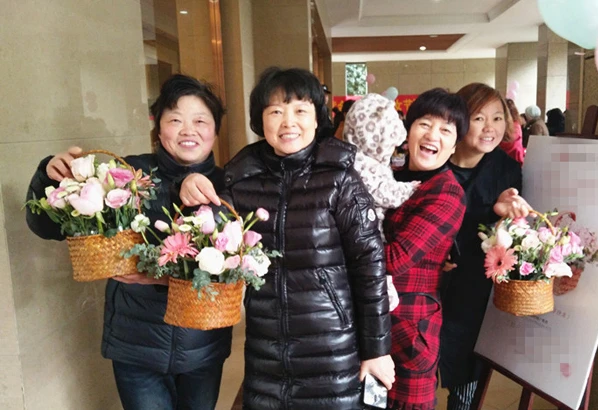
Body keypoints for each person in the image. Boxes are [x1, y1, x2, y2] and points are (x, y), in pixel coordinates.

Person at [178, 67, 394, 410]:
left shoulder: (340, 179)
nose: (288, 122)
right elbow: (206, 232)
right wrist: (190, 187)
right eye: (276, 111)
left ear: (317, 118)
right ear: (260, 121)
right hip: (267, 350)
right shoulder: (242, 178)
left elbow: (370, 268)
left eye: (300, 110)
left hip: (332, 348)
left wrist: (377, 350)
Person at [25, 74, 231, 410]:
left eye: (200, 121)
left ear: (215, 130)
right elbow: (49, 228)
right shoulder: (128, 175)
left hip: (202, 348)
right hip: (136, 345)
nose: (188, 131)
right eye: (175, 120)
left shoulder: (228, 185)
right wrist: (47, 177)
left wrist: (159, 277)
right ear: (158, 128)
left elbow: (235, 268)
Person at [439, 83, 531, 410]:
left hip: (476, 291)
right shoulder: (434, 160)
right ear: (460, 120)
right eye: (479, 118)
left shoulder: (508, 170)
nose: (489, 127)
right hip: (430, 287)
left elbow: (512, 233)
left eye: (497, 118)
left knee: (467, 375)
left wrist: (503, 213)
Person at [383, 88, 468, 410]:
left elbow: (395, 259)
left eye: (446, 130)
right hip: (371, 323)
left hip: (410, 330)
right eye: (425, 124)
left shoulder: (446, 193)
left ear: (455, 145)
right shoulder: (391, 177)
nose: (433, 135)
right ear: (409, 130)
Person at [343, 92, 417, 237]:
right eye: (390, 146)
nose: (392, 150)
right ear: (373, 142)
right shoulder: (362, 165)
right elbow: (382, 193)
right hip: (368, 232)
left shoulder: (356, 158)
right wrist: (408, 189)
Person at [498, 98, 525, 165]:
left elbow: (507, 144)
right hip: (516, 160)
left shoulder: (511, 127)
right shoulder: (517, 125)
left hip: (507, 162)